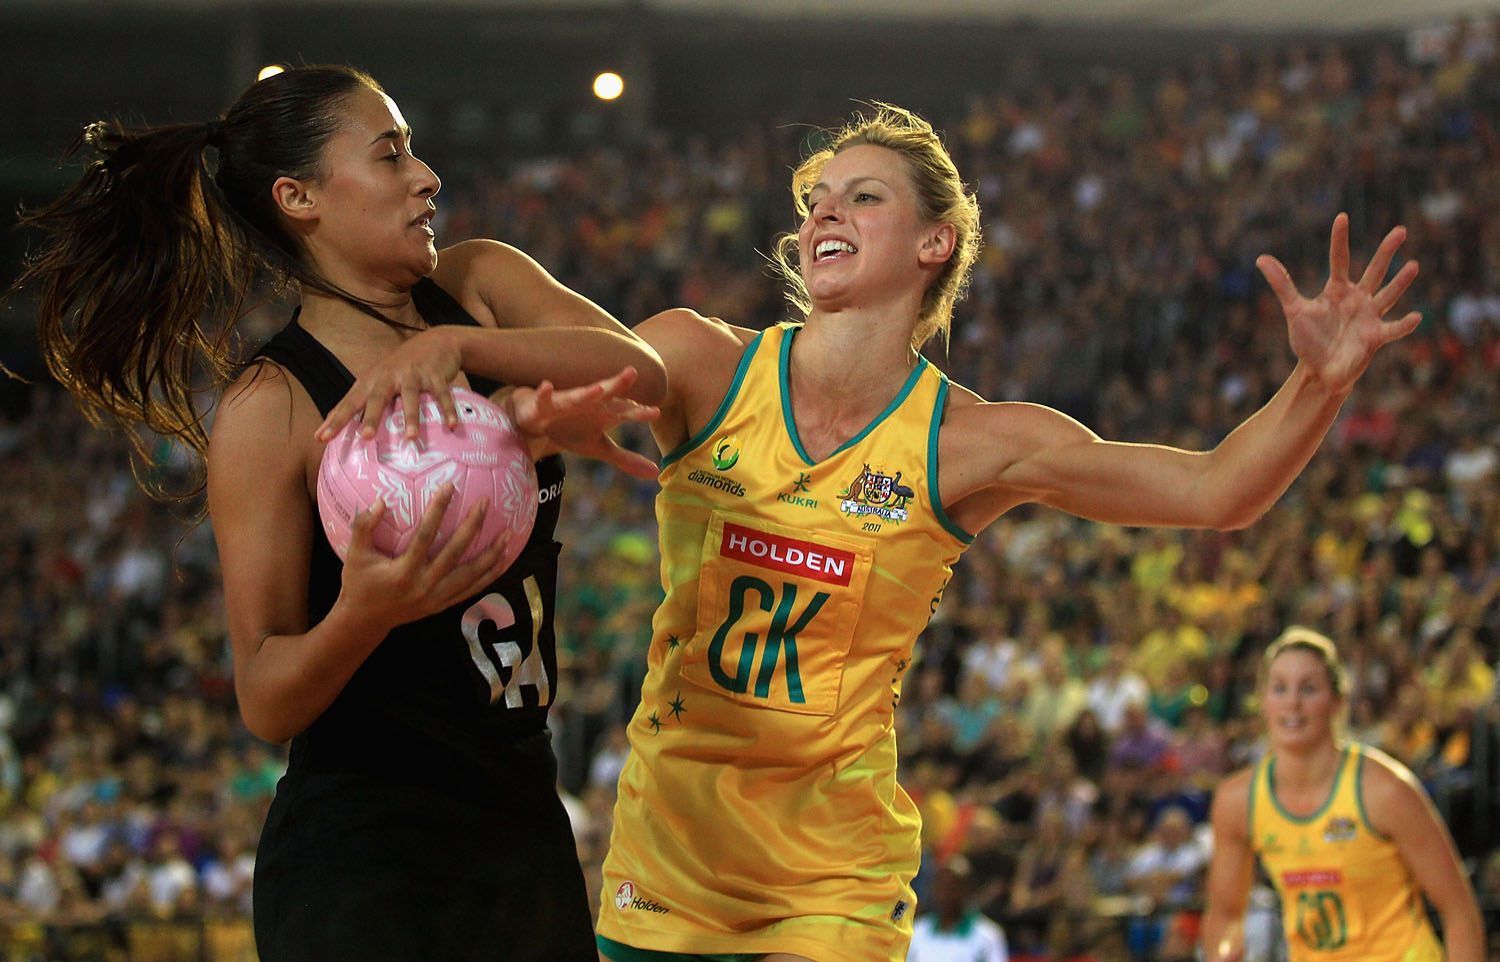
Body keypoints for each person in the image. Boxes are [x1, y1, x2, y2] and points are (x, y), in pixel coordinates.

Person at [322, 103, 1422, 961]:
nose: (824, 214)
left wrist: (1317, 386)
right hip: (670, 853)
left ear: (936, 242)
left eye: (862, 195)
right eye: (816, 200)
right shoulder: (705, 359)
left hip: (833, 877)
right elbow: (601, 356)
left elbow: (1218, 489)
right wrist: (465, 349)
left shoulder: (970, 441)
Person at [9, 64, 666, 961]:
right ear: (300, 197)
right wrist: (365, 612)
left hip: (522, 827)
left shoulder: (476, 288)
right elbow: (266, 696)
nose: (426, 176)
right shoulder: (272, 405)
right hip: (364, 860)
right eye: (390, 154)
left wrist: (467, 351)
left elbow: (647, 371)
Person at [1199, 627, 1484, 962]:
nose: (1293, 702)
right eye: (1279, 688)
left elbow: (1459, 911)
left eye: (1309, 688)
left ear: (1338, 701)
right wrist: (1225, 949)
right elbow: (1225, 914)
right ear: (1262, 701)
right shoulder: (1237, 800)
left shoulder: (1385, 790)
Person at [906, 856, 1008, 962]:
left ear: (968, 890)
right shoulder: (917, 931)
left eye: (952, 887)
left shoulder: (988, 935)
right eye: (941, 886)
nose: (945, 893)